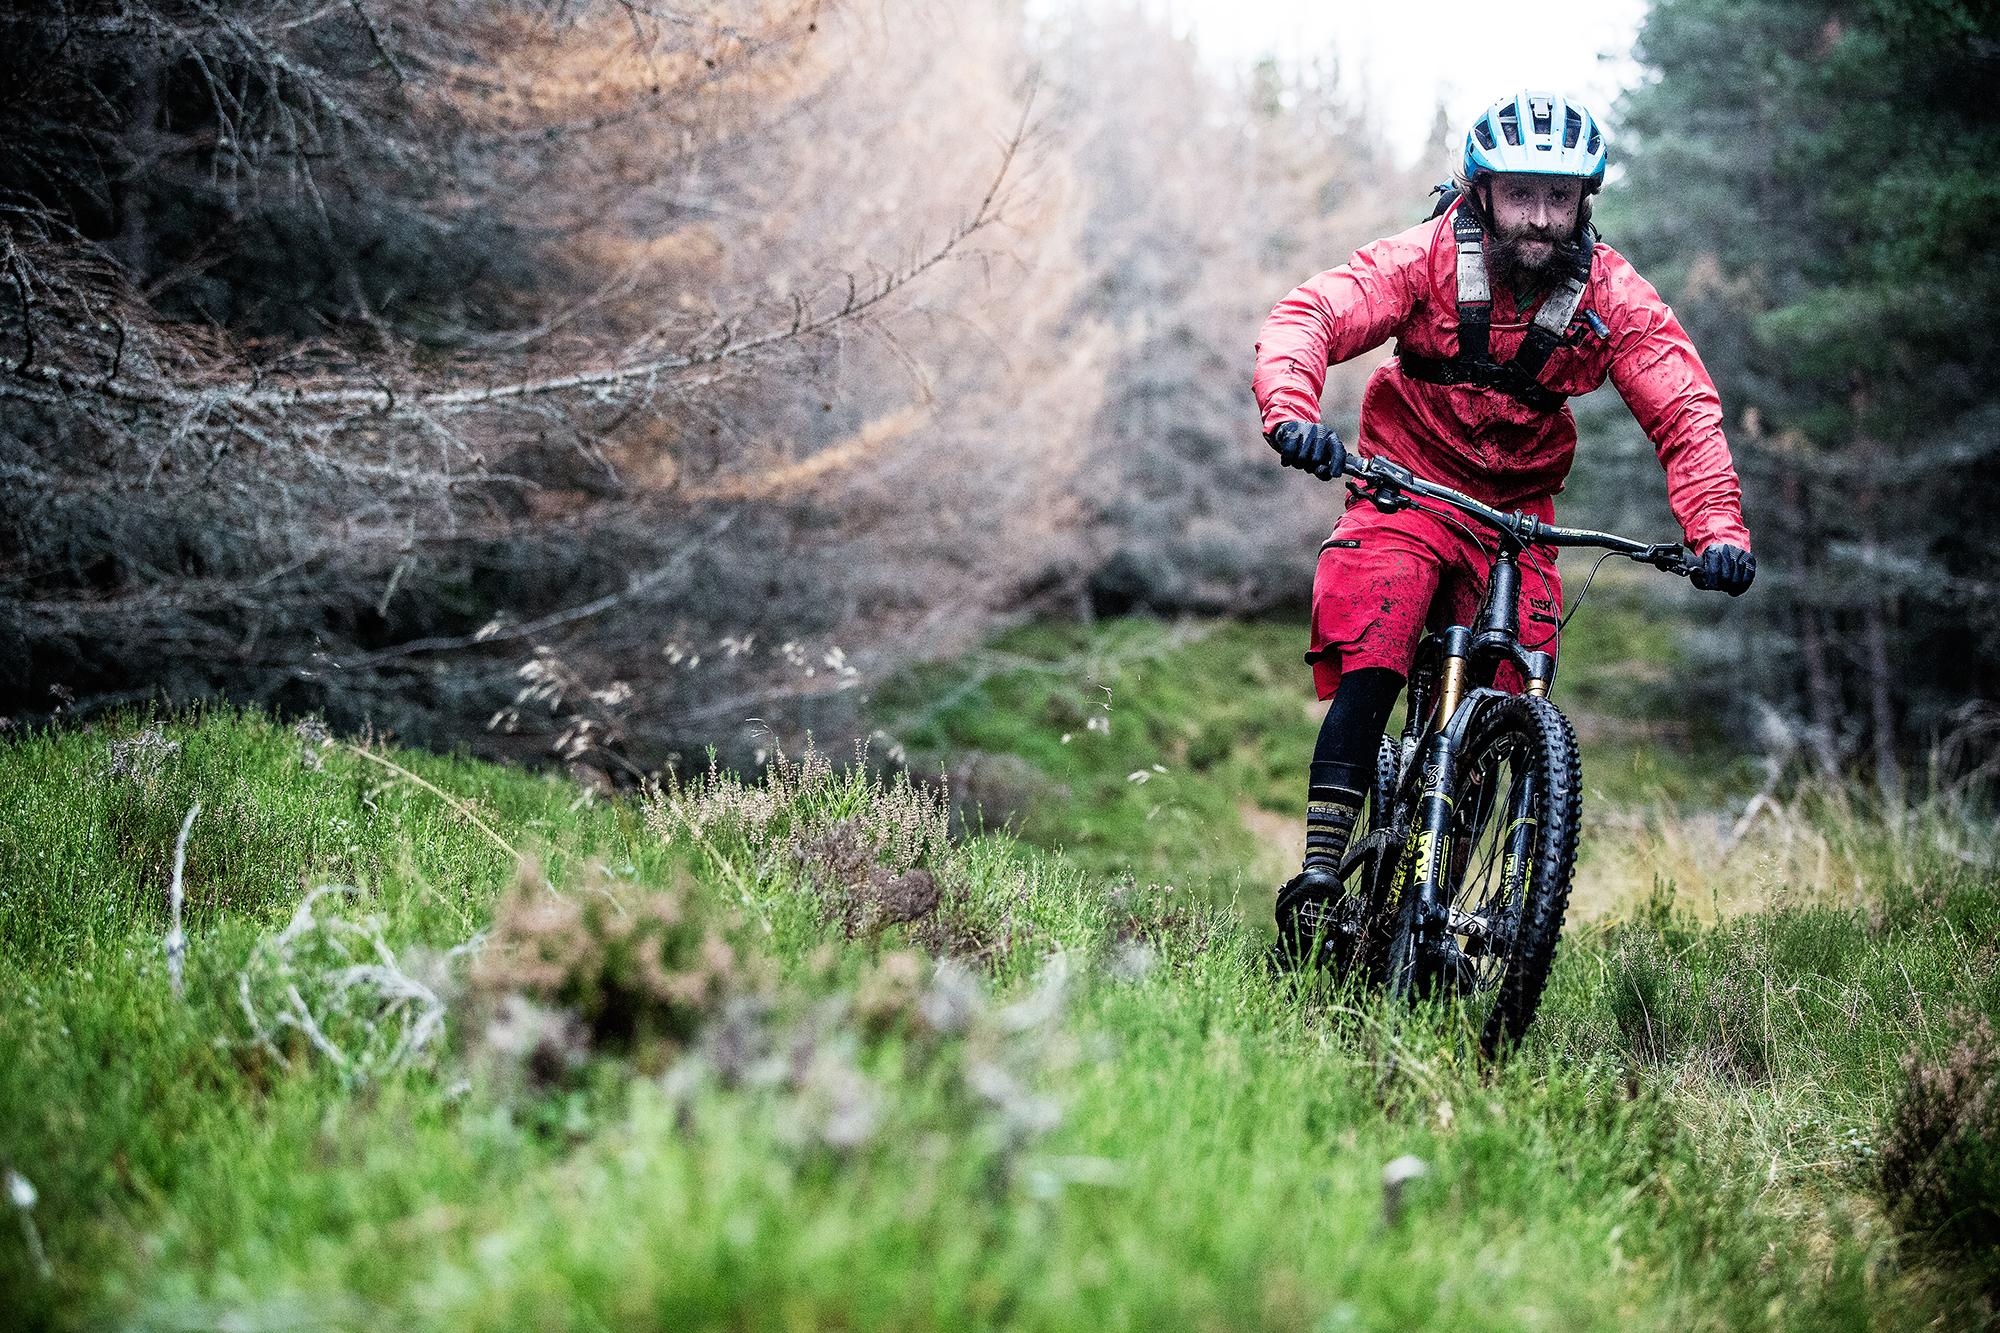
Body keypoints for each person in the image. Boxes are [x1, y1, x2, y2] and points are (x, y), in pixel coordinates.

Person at [1251, 90, 1755, 960]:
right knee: (1375, 638)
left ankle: (1433, 897)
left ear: (1584, 202)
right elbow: (1314, 314)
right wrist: (1293, 410)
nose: (1541, 217)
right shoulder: (1425, 259)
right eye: (1522, 193)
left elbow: (1684, 407)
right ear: (1482, 190)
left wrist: (1718, 530)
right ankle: (1321, 875)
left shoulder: (1612, 295)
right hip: (1406, 486)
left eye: (1560, 198)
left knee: (1516, 692)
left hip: (1517, 518)